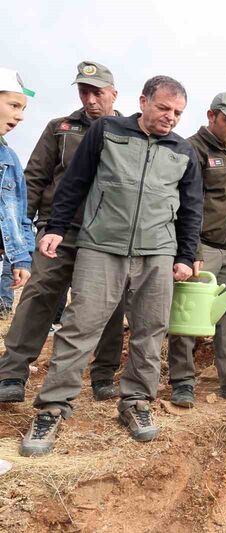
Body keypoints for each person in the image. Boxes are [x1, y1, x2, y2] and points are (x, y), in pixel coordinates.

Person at [20, 75, 203, 456]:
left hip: (157, 252)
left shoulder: (183, 151)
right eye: (164, 108)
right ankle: (52, 408)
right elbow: (75, 182)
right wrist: (55, 228)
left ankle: (136, 403)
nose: (171, 117)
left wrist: (186, 256)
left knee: (151, 330)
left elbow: (191, 209)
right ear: (143, 101)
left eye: (178, 113)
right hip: (101, 246)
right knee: (79, 326)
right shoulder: (107, 131)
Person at [0, 61, 125, 403]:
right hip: (58, 232)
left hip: (106, 237)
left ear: (113, 93)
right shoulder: (60, 128)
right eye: (84, 91)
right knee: (39, 296)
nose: (90, 99)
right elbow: (34, 180)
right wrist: (17, 237)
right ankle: (11, 374)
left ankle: (103, 375)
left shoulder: (129, 133)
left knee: (110, 306)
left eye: (97, 92)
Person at [167, 92, 226, 408]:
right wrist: (190, 250)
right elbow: (185, 205)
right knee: (188, 316)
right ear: (211, 116)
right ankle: (182, 381)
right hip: (201, 247)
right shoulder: (192, 149)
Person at [0, 68, 35, 303]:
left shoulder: (10, 159)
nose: (20, 116)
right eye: (14, 105)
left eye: (23, 109)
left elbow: (21, 216)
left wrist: (21, 258)